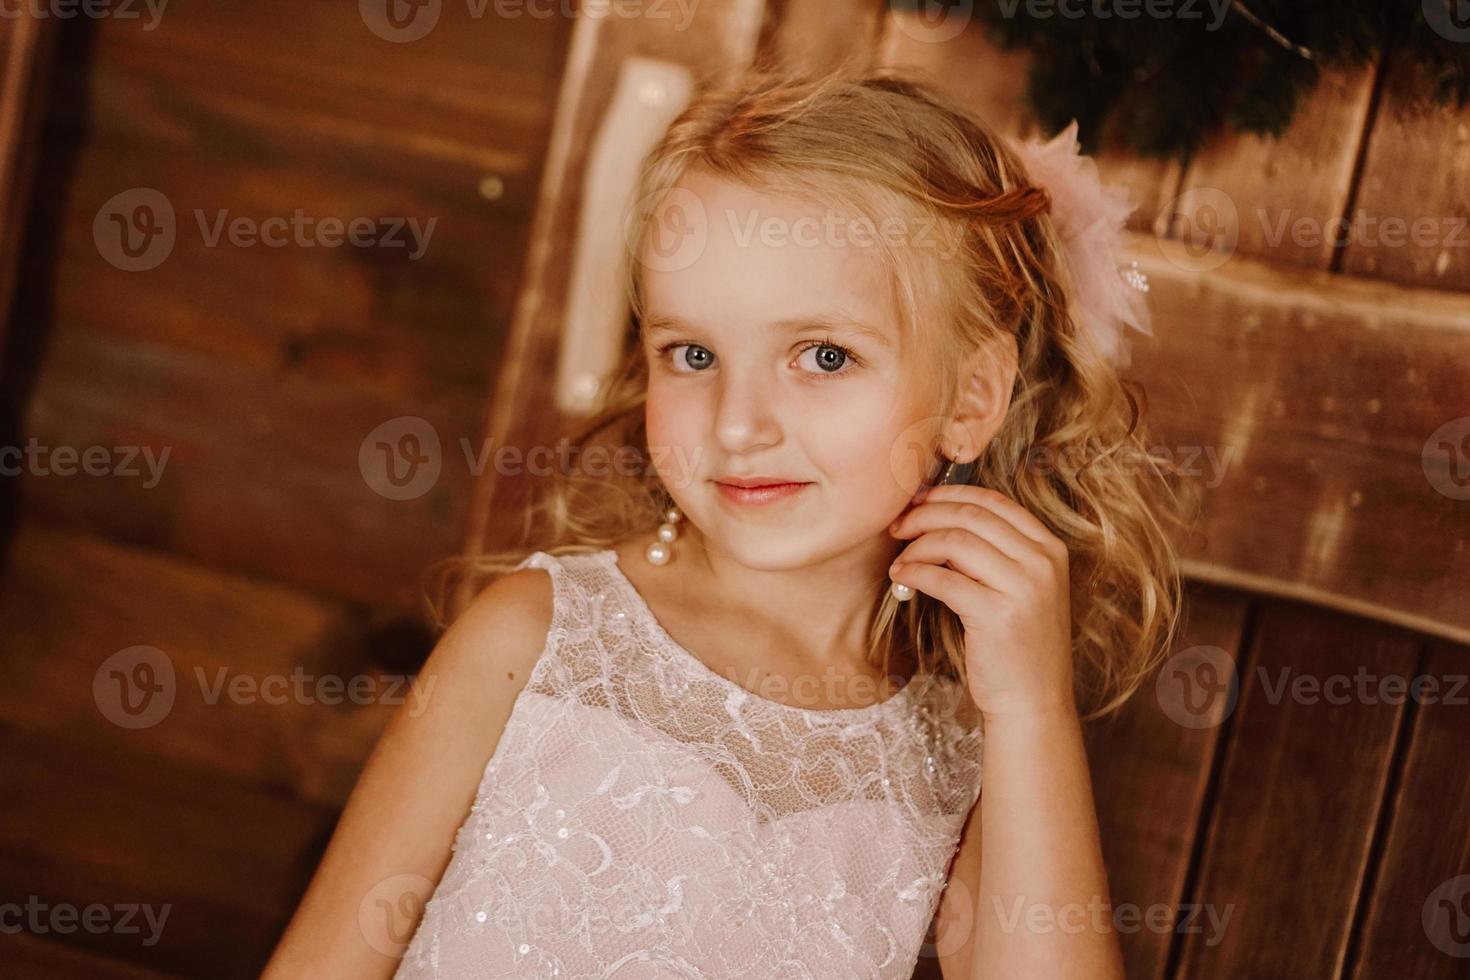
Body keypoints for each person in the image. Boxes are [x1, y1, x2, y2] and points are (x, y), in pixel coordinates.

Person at [264, 66, 1193, 979]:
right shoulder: (537, 641)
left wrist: (1031, 712)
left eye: (823, 355)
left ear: (972, 396)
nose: (738, 424)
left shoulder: (967, 742)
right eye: (693, 353)